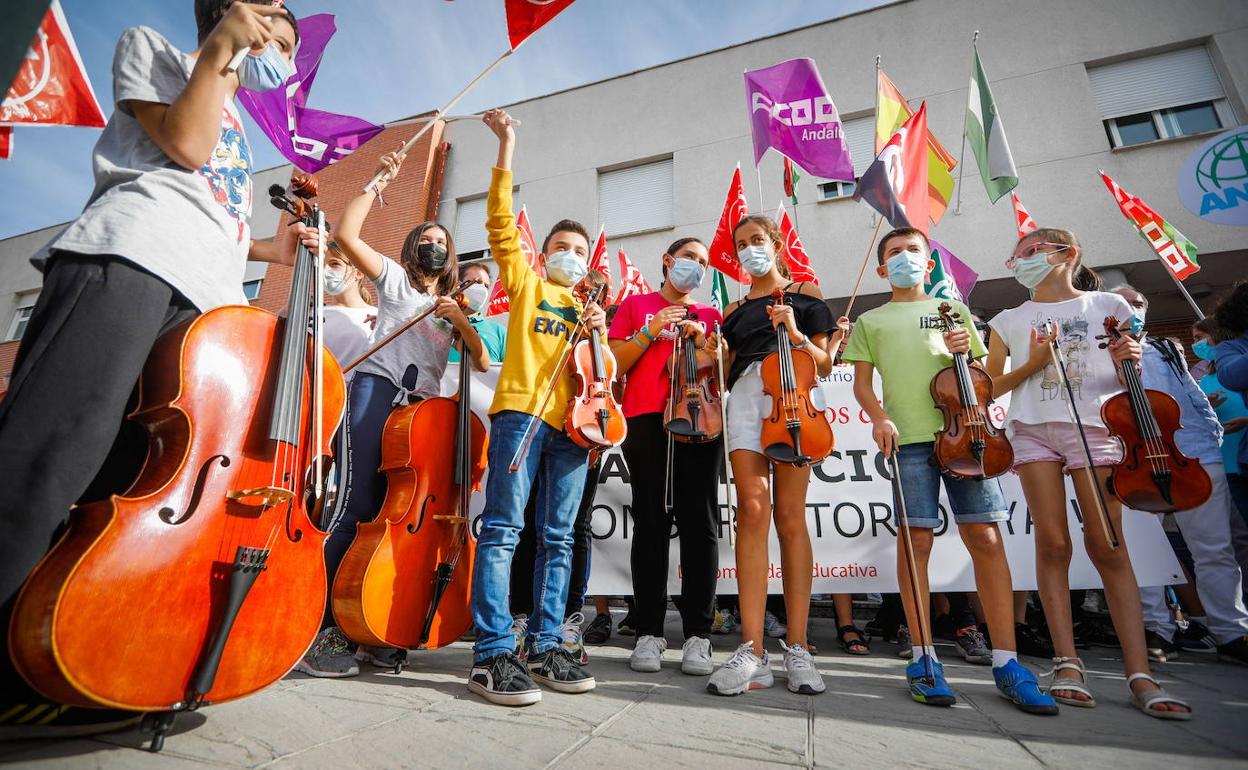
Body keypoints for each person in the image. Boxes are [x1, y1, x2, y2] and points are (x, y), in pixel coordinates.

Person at [0, 0, 299, 738]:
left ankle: (57, 657)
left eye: (287, 48)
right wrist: (222, 52)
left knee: (121, 484)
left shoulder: (235, 110)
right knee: (49, 459)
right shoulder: (156, 50)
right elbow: (187, 151)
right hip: (131, 255)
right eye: (273, 29)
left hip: (201, 299)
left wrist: (279, 245)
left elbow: (223, 221)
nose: (281, 54)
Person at [843, 227, 1056, 715]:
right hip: (911, 442)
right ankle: (922, 658)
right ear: (882, 268)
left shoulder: (955, 312)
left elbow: (982, 381)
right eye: (894, 253)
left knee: (985, 539)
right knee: (915, 541)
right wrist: (880, 418)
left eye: (912, 251)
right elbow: (860, 386)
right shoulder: (871, 321)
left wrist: (964, 349)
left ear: (929, 262)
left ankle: (1008, 662)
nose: (904, 258)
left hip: (969, 436)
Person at [293, 150, 488, 677]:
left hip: (420, 412)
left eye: (441, 243)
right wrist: (377, 183)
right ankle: (317, 629)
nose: (433, 246)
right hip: (376, 393)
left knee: (394, 514)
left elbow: (483, 359)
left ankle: (367, 623)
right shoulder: (397, 282)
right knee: (355, 503)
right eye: (426, 240)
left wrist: (461, 322)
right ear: (413, 247)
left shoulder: (451, 306)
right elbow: (349, 235)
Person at [985, 227, 1191, 719]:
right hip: (1032, 431)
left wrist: (1130, 360)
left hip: (1095, 428)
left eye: (1035, 251)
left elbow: (1128, 380)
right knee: (1052, 543)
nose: (1025, 259)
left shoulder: (1108, 307)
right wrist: (1033, 363)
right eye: (1019, 254)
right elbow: (990, 385)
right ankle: (1066, 662)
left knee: (1107, 543)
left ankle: (1139, 672)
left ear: (1069, 254)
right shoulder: (1008, 318)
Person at [467, 108, 606, 706]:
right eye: (560, 247)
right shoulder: (527, 285)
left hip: (573, 431)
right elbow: (500, 222)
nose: (570, 255)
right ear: (543, 252)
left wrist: (599, 333)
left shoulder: (587, 310)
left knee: (559, 540)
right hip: (521, 416)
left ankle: (547, 645)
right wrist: (507, 146)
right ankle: (492, 653)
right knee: (502, 531)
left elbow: (600, 380)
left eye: (579, 250)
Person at [705, 214, 842, 696]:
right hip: (745, 399)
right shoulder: (735, 309)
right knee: (753, 510)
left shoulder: (807, 294)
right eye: (741, 244)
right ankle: (752, 649)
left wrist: (798, 333)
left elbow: (824, 362)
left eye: (757, 240)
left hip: (792, 397)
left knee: (789, 515)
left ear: (777, 244)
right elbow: (725, 370)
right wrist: (715, 353)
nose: (748, 250)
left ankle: (799, 646)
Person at [1110, 286, 1248, 666]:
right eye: (1120, 303)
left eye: (1137, 303)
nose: (1130, 309)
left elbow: (1193, 398)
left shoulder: (1167, 349)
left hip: (1193, 454)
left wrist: (1211, 437)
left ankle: (1231, 631)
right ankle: (1156, 627)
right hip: (1135, 460)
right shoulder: (1096, 351)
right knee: (1142, 549)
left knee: (1215, 548)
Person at [607, 237, 723, 676]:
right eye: (688, 257)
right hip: (646, 418)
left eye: (702, 261)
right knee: (651, 521)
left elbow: (723, 373)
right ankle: (649, 633)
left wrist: (708, 344)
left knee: (701, 523)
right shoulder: (637, 305)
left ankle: (699, 634)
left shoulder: (711, 315)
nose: (694, 265)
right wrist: (650, 331)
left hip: (700, 419)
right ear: (668, 261)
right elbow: (615, 362)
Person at [1193, 317, 1248, 589]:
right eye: (1193, 340)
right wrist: (1209, 406)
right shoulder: (1205, 377)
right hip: (1224, 461)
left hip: (1243, 451)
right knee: (1238, 536)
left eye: (1201, 338)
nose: (1198, 345)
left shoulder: (1237, 366)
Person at [322, 245, 376, 375]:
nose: (325, 270)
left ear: (358, 273)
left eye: (334, 264)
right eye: (321, 265)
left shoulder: (379, 316)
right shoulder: (312, 315)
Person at [450, 261, 507, 364]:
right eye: (476, 282)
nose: (482, 289)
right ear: (457, 285)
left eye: (486, 286)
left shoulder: (499, 332)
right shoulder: (438, 323)